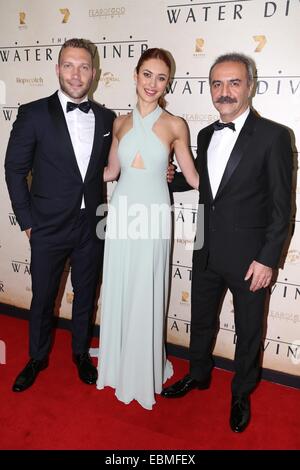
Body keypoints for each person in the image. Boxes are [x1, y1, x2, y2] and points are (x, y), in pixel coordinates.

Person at [162, 53, 293, 432]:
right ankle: (198, 374)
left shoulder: (275, 136)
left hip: (250, 258)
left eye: (234, 83)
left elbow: (283, 207)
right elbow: (206, 182)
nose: (225, 92)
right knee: (200, 320)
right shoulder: (205, 134)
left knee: (249, 330)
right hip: (205, 249)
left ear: (250, 85)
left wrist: (268, 258)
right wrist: (173, 178)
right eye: (217, 84)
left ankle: (241, 392)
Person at [5, 38, 115, 392]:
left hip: (91, 225)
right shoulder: (33, 113)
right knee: (43, 297)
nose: (76, 73)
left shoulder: (106, 117)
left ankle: (80, 353)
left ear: (94, 73)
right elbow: (13, 170)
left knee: (86, 294)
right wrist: (28, 221)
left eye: (84, 66)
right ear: (57, 69)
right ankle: (37, 357)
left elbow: (111, 168)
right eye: (69, 65)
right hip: (47, 226)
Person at [96, 48, 199, 410]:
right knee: (122, 283)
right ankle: (118, 359)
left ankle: (142, 366)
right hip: (122, 213)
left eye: (161, 78)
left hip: (154, 214)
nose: (152, 83)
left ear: (167, 83)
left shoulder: (175, 125)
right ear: (135, 75)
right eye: (147, 74)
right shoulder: (119, 123)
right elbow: (110, 172)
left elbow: (193, 177)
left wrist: (241, 185)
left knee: (147, 287)